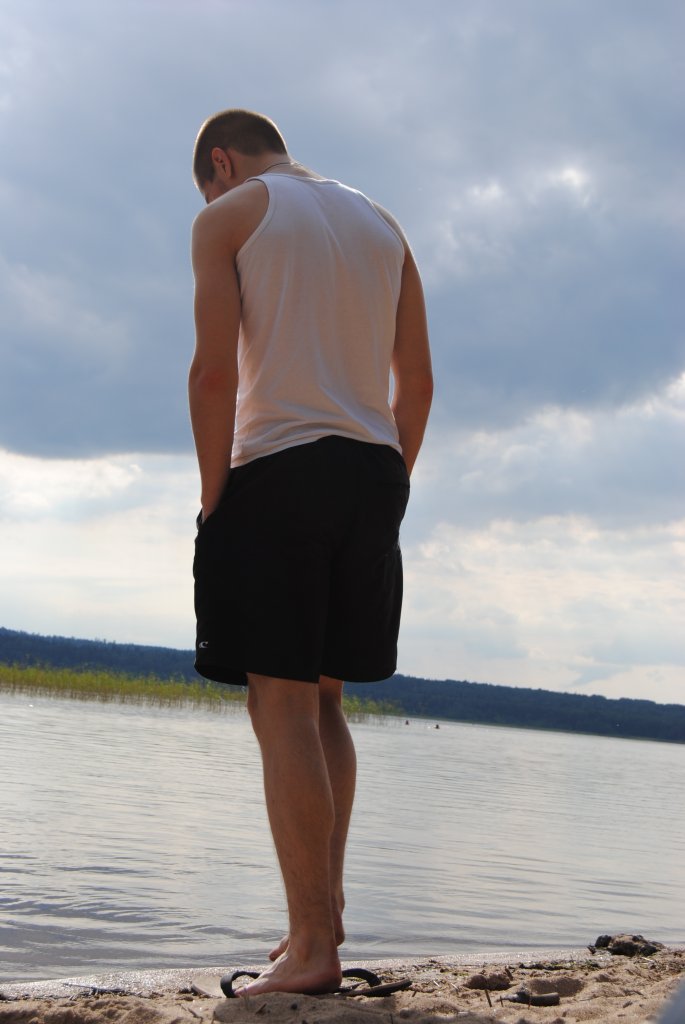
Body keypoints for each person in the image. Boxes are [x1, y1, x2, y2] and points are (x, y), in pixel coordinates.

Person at [189, 108, 432, 997]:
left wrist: (215, 494)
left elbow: (213, 371)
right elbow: (418, 382)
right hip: (373, 471)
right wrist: (387, 483)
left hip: (281, 466)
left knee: (280, 701)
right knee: (325, 697)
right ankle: (319, 925)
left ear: (221, 162)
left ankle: (312, 944)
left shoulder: (229, 215)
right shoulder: (382, 222)